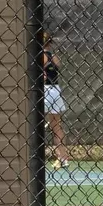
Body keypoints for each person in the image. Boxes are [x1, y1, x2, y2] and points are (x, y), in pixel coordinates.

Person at [41, 30, 69, 168]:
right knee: (56, 126)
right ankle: (63, 158)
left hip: (44, 91)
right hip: (55, 90)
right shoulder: (55, 57)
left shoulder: (40, 56)